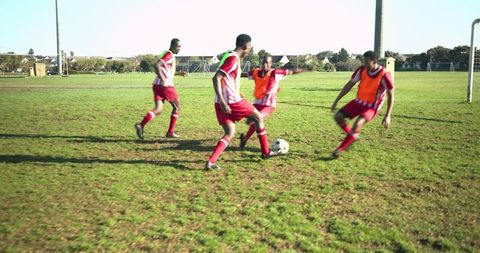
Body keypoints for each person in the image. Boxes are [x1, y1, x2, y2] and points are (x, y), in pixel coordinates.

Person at [205, 34, 278, 170]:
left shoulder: (228, 55)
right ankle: (266, 153)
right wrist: (223, 100)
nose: (250, 50)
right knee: (258, 118)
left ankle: (211, 162)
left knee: (230, 132)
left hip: (221, 101)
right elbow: (216, 78)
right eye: (250, 47)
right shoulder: (233, 59)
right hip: (231, 101)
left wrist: (225, 97)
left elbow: (225, 79)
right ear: (245, 46)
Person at [331, 51, 395, 158]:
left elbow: (391, 95)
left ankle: (339, 150)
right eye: (363, 62)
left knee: (358, 123)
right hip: (359, 101)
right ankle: (352, 136)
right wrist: (336, 100)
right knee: (338, 117)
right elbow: (349, 85)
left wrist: (388, 115)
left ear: (374, 61)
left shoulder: (384, 74)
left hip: (372, 106)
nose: (364, 64)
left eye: (366, 62)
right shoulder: (362, 70)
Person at [239, 54, 303, 148]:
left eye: (267, 63)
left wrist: (305, 69)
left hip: (269, 104)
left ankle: (264, 149)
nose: (265, 65)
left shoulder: (275, 73)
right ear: (261, 63)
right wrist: (231, 74)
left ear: (270, 64)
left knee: (258, 118)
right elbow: (245, 74)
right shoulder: (256, 72)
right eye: (263, 62)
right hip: (257, 102)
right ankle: (244, 139)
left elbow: (291, 71)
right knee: (256, 122)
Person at [135, 38, 182, 140]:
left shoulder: (166, 54)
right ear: (173, 46)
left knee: (158, 109)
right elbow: (157, 65)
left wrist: (178, 74)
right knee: (177, 107)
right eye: (178, 47)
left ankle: (141, 125)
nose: (179, 49)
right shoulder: (169, 54)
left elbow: (165, 69)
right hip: (165, 85)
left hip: (157, 85)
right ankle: (170, 132)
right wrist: (163, 79)